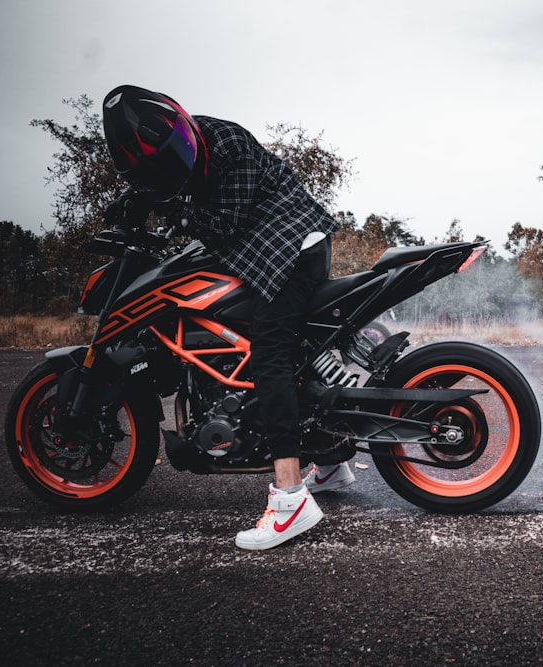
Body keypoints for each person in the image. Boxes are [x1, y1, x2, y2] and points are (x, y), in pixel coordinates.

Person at [101, 84, 355, 550]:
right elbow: (161, 192)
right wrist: (134, 205)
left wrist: (166, 212)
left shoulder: (228, 144)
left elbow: (220, 224)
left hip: (290, 246)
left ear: (180, 123)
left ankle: (290, 499)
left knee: (270, 356)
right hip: (264, 248)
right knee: (288, 352)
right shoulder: (172, 162)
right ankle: (332, 459)